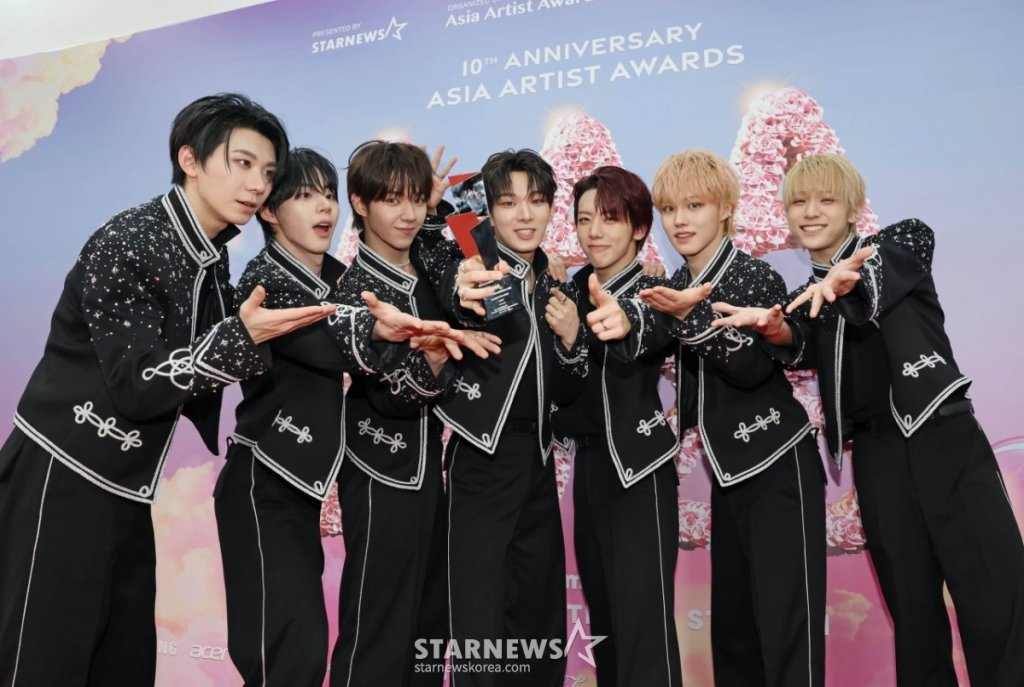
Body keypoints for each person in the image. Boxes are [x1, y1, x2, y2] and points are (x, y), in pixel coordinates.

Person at [0, 93, 340, 686]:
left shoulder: (211, 258)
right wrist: (237, 339)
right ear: (190, 159)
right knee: (42, 663)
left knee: (123, 664)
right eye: (242, 163)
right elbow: (136, 383)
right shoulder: (130, 239)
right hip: (61, 475)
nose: (257, 184)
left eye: (267, 172)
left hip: (129, 486)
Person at [718, 152, 1024, 685]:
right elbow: (799, 340)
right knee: (913, 614)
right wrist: (774, 329)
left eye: (826, 199)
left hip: (945, 437)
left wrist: (846, 281)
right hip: (878, 459)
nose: (811, 212)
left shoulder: (900, 244)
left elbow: (880, 274)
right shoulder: (804, 299)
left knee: (996, 601)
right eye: (798, 202)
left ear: (855, 208)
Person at [214, 147, 468, 686]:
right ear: (269, 210)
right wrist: (378, 328)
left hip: (304, 486)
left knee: (311, 647)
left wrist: (434, 215)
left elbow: (418, 281)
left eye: (328, 195)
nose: (324, 208)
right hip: (263, 482)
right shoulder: (265, 283)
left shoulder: (337, 276)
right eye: (305, 196)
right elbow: (328, 337)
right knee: (289, 651)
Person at [604, 150, 825, 686]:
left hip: (780, 468)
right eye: (669, 209)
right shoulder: (676, 282)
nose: (679, 221)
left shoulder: (755, 276)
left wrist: (692, 315)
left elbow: (751, 368)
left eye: (695, 206)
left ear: (725, 208)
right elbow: (647, 333)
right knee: (734, 637)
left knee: (787, 634)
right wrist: (618, 318)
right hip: (729, 477)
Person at [439, 149, 588, 685]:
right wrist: (462, 281)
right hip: (482, 457)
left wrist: (571, 340)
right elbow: (455, 291)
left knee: (538, 613)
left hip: (539, 461)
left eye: (536, 201)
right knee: (479, 620)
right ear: (491, 212)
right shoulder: (472, 262)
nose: (524, 215)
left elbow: (568, 392)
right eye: (508, 203)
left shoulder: (555, 281)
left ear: (551, 208)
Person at [552, 165, 682, 686]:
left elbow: (651, 332)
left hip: (640, 470)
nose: (594, 231)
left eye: (609, 218)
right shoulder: (567, 293)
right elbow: (562, 392)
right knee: (605, 621)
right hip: (589, 471)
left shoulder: (656, 292)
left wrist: (616, 322)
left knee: (644, 627)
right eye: (584, 219)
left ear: (639, 227)